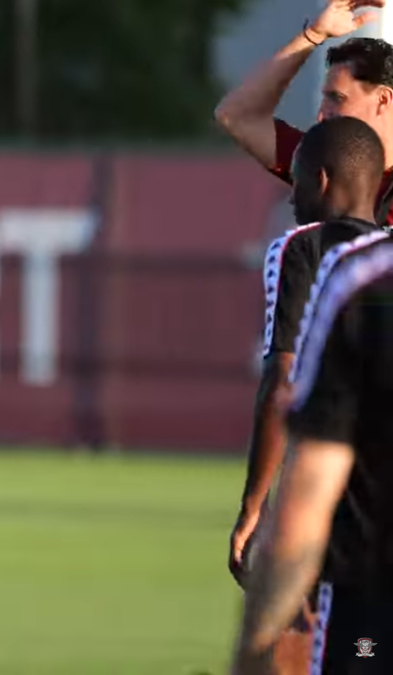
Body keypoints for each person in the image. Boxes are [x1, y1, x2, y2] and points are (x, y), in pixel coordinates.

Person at [231, 117, 391, 670]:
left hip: (347, 532)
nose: (291, 196)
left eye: (296, 181)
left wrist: (255, 506)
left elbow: (283, 377)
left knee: (342, 652)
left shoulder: (304, 250)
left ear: (320, 180)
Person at [215, 1, 393, 226]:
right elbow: (236, 116)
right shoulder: (323, 161)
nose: (322, 115)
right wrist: (313, 35)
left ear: (383, 99)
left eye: (337, 98)